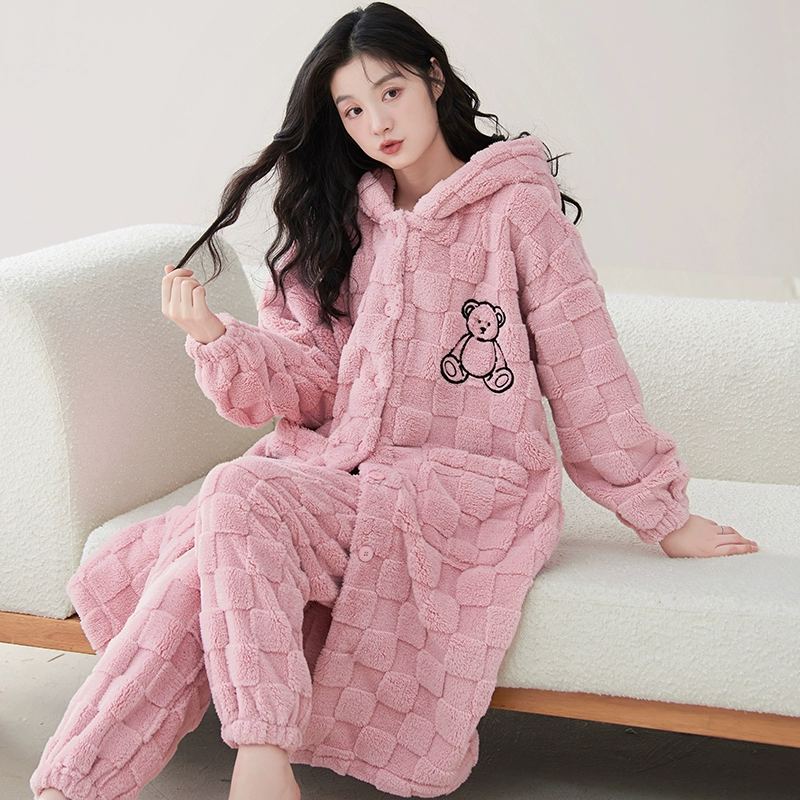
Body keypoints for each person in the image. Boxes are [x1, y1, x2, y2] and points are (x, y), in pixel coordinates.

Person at [32, 3, 759, 799]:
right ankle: (80, 786)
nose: (376, 122)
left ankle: (252, 764)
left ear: (433, 79)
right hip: (341, 476)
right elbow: (314, 386)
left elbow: (587, 369)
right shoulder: (338, 224)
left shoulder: (516, 210)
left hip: (467, 493)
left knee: (228, 506)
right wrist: (216, 338)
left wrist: (663, 515)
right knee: (212, 539)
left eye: (390, 92)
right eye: (351, 108)